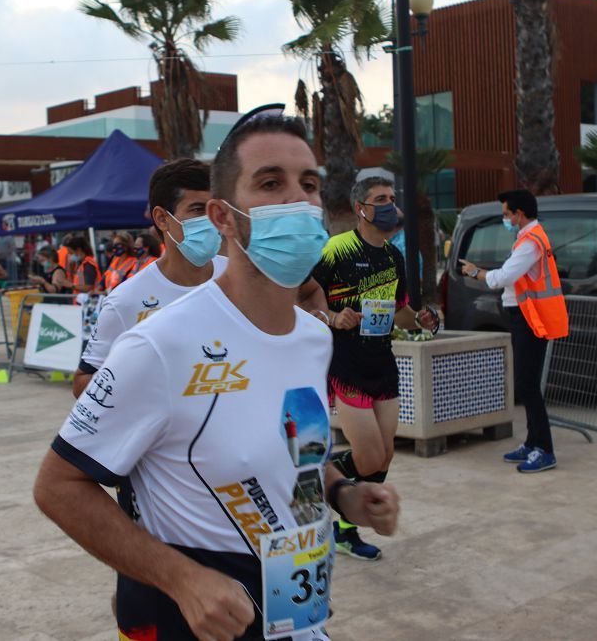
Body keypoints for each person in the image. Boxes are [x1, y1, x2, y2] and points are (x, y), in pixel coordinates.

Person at [34, 110, 400, 641]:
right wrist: (183, 580)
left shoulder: (314, 338)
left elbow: (294, 455)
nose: (297, 200)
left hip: (295, 613)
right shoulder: (158, 344)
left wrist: (342, 493)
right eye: (271, 183)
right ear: (223, 217)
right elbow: (58, 487)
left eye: (310, 184)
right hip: (199, 622)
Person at [299, 176, 437, 561]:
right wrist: (331, 316)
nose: (390, 205)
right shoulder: (336, 249)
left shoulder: (394, 256)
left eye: (392, 198)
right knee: (370, 455)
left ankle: (343, 526)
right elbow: (298, 300)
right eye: (380, 199)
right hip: (346, 363)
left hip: (382, 360)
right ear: (361, 208)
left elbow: (401, 312)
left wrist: (423, 319)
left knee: (385, 456)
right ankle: (324, 487)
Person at [72, 158, 226, 398]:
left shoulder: (240, 279)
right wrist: (141, 381)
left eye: (214, 209)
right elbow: (82, 383)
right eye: (197, 209)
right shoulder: (127, 300)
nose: (210, 220)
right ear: (162, 219)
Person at [461, 189, 569, 473]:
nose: (505, 219)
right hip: (527, 316)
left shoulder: (531, 241)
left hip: (531, 319)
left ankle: (544, 449)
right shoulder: (528, 238)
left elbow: (505, 277)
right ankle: (533, 442)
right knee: (526, 382)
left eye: (507, 214)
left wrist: (476, 273)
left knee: (527, 384)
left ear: (519, 214)